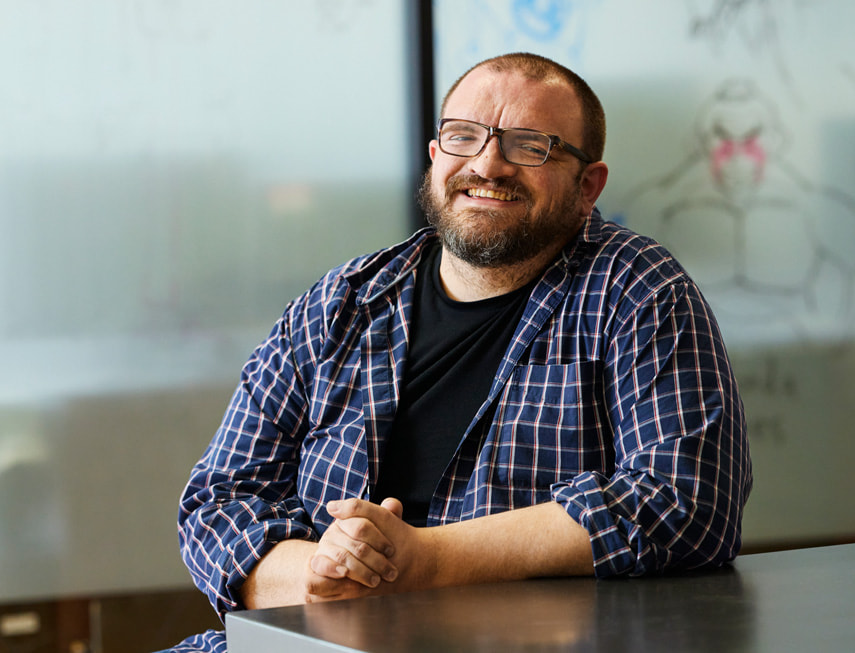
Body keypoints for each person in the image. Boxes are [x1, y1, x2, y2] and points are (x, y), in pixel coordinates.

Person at [171, 52, 751, 651]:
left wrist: (425, 561)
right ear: (435, 155)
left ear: (588, 186)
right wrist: (324, 578)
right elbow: (220, 501)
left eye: (531, 146)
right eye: (464, 136)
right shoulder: (338, 304)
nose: (488, 164)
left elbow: (686, 502)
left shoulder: (638, 292)